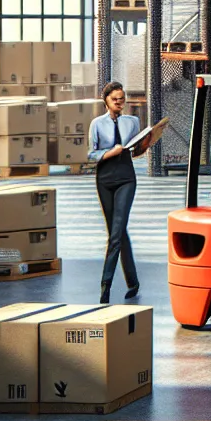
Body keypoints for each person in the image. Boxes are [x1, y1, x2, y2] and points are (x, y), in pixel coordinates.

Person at [87, 82, 150, 304]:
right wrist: (109, 153)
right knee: (118, 232)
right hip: (105, 178)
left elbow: (136, 150)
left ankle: (106, 285)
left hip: (126, 178)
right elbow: (91, 155)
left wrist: (144, 145)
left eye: (122, 98)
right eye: (115, 99)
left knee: (116, 233)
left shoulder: (132, 122)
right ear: (106, 100)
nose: (119, 102)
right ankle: (133, 282)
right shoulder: (97, 124)